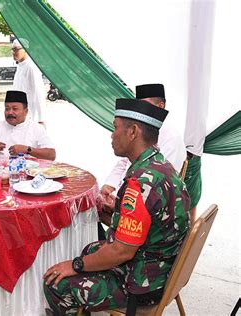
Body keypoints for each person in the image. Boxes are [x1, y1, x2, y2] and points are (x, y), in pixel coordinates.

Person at [43, 98, 190, 314]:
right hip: (161, 268)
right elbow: (147, 222)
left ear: (133, 132)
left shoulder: (139, 184)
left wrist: (74, 265)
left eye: (115, 128)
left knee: (55, 283)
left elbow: (121, 252)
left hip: (142, 284)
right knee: (91, 249)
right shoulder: (161, 166)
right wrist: (113, 215)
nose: (112, 135)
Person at [101, 84, 186, 216]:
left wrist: (119, 201)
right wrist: (110, 186)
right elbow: (125, 163)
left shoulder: (171, 138)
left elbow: (156, 183)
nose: (140, 110)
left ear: (160, 106)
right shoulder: (143, 140)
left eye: (115, 127)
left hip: (144, 206)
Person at [0, 90, 56, 160]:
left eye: (15, 109)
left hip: (28, 172)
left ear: (26, 111)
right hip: (2, 172)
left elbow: (52, 155)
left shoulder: (37, 128)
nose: (10, 112)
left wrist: (27, 150)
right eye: (7, 108)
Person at [12, 38, 46, 125]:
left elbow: (39, 93)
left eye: (16, 49)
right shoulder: (20, 67)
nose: (14, 52)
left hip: (29, 116)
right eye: (13, 49)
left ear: (25, 49)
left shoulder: (31, 67)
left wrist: (41, 119)